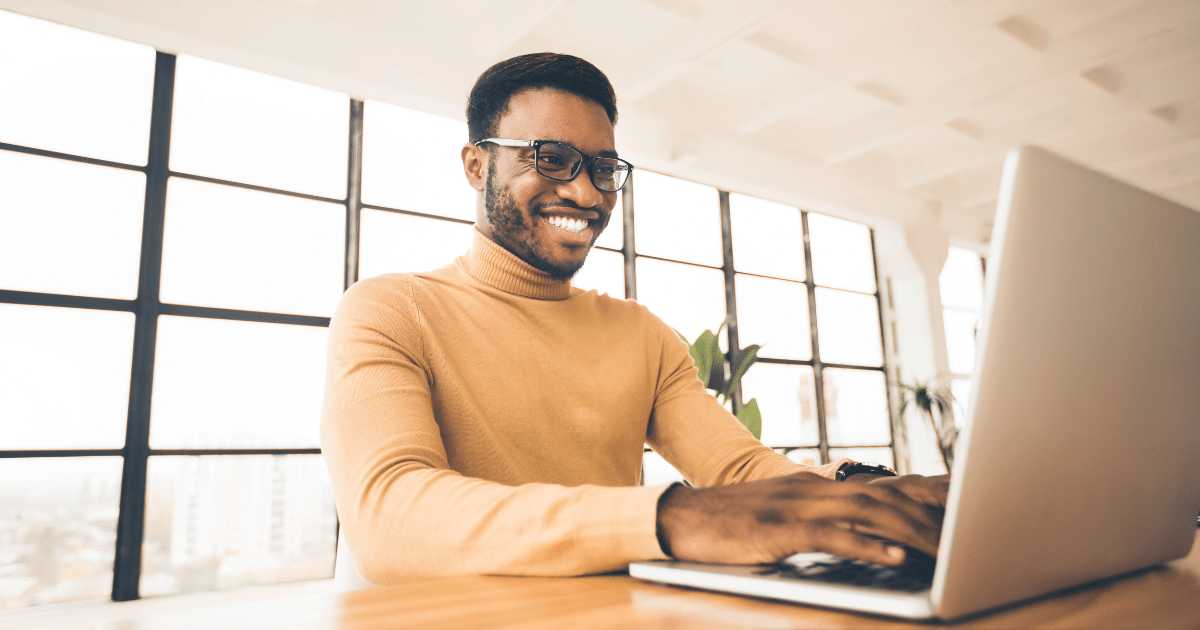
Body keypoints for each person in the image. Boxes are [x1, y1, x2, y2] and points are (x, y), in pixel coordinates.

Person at [320, 52, 948, 585]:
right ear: (477, 165)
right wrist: (671, 518)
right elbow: (387, 512)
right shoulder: (390, 310)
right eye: (551, 157)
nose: (589, 194)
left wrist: (867, 489)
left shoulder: (640, 335)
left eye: (602, 168)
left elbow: (741, 471)